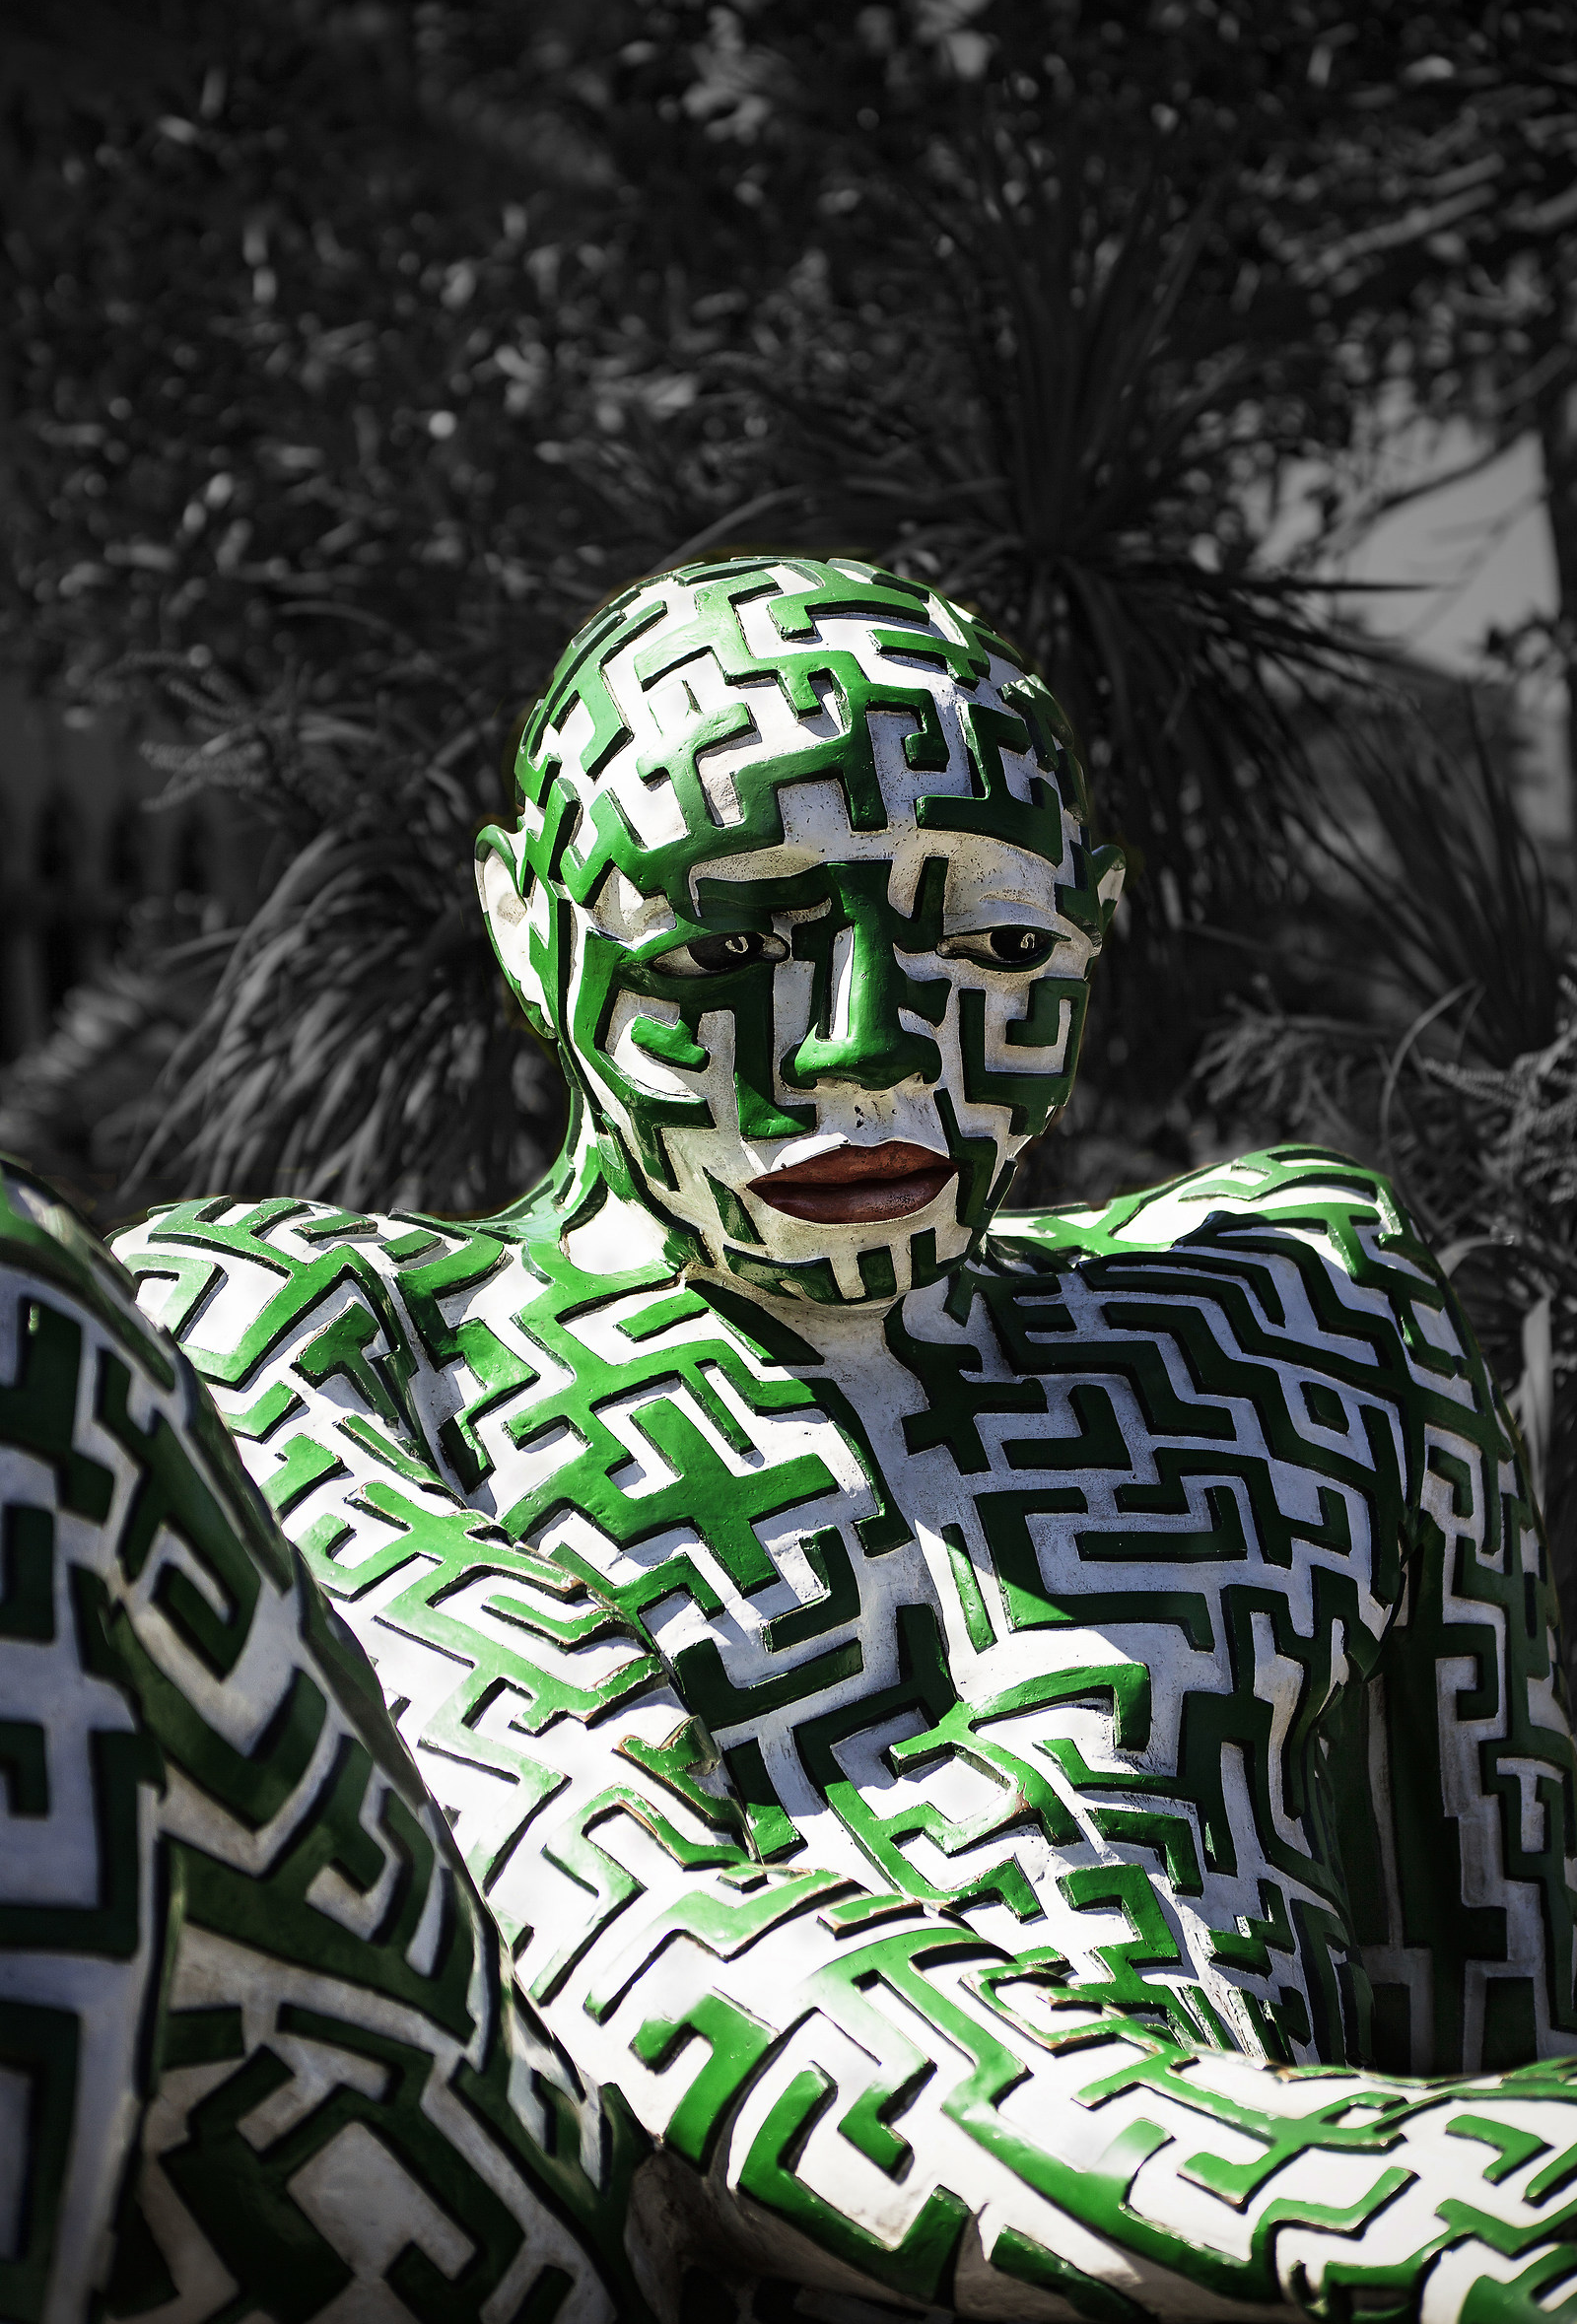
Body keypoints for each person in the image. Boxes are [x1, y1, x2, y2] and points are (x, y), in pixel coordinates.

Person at [4, 553, 1576, 2324]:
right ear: (529, 924)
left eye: (988, 942)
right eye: (731, 942)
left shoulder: (1296, 1308)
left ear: (1095, 920)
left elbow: (1503, 1996)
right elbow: (625, 1922)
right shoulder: (320, 1326)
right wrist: (1395, 2212)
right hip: (624, 2253)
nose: (858, 1051)